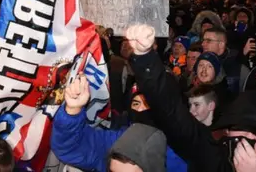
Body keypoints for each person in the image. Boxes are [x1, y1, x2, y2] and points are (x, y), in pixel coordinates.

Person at [126, 24, 256, 172]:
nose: (247, 141)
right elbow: (171, 112)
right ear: (227, 132)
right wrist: (145, 59)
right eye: (241, 132)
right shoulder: (210, 153)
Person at [50, 74, 187, 172]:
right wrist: (73, 111)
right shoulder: (119, 141)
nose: (140, 110)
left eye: (148, 104)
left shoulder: (188, 150)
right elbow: (70, 148)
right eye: (136, 103)